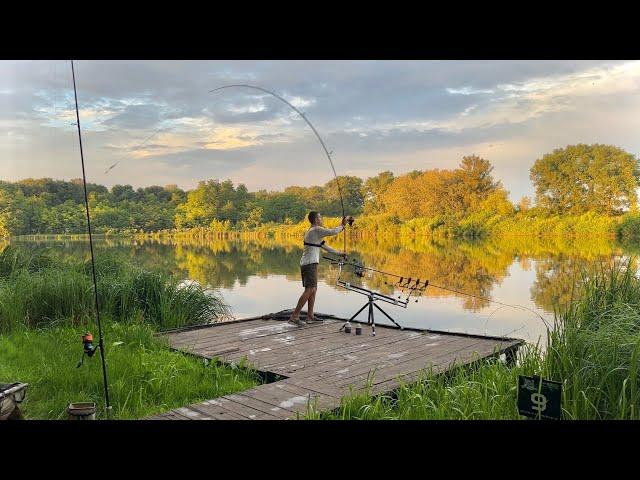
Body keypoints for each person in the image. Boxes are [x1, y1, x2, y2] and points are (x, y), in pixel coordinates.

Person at [288, 211, 353, 326]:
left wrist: (340, 253)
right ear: (315, 220)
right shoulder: (315, 230)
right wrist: (342, 225)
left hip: (311, 264)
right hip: (309, 264)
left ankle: (310, 316)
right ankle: (294, 316)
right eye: (320, 217)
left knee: (313, 290)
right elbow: (332, 232)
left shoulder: (315, 233)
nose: (321, 219)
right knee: (309, 289)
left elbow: (325, 247)